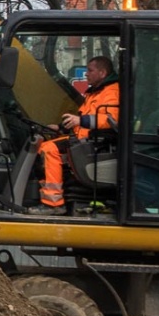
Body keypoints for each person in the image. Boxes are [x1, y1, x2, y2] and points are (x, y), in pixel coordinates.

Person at [37, 55, 120, 210]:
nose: (86, 74)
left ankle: (53, 203)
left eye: (90, 70)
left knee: (49, 149)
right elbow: (81, 119)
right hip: (84, 139)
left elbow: (111, 119)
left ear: (102, 73)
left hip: (97, 143)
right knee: (43, 143)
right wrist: (60, 128)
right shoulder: (94, 92)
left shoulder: (112, 92)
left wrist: (80, 121)